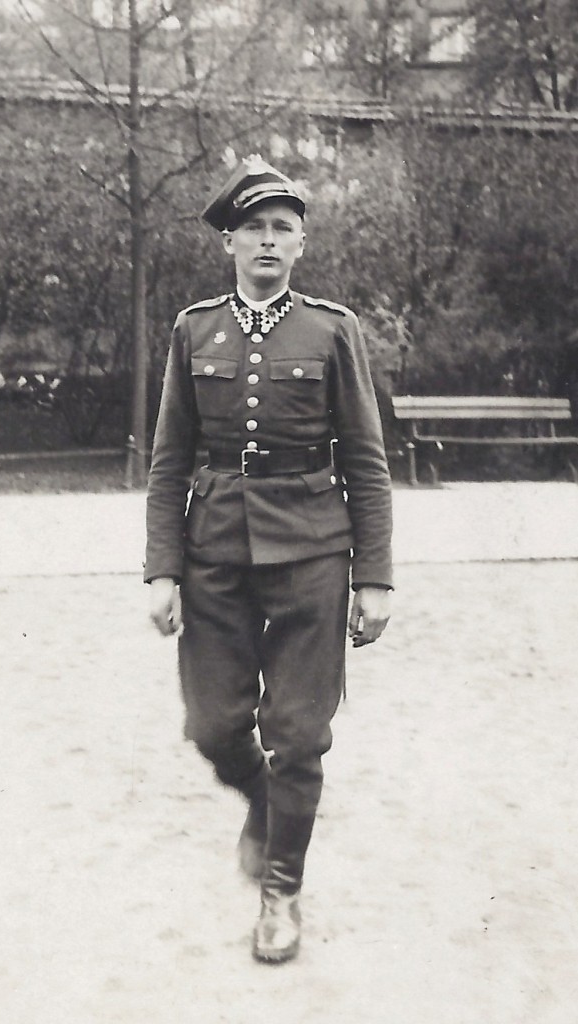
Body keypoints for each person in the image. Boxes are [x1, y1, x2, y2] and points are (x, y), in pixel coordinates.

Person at [144, 155, 393, 963]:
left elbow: (365, 460)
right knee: (213, 724)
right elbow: (168, 459)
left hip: (312, 552)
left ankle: (280, 891)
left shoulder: (331, 329)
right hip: (213, 550)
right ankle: (261, 798)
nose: (266, 240)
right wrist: (161, 569)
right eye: (252, 227)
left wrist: (375, 577)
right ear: (229, 243)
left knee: (298, 731)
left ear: (300, 244)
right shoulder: (194, 329)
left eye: (281, 227)